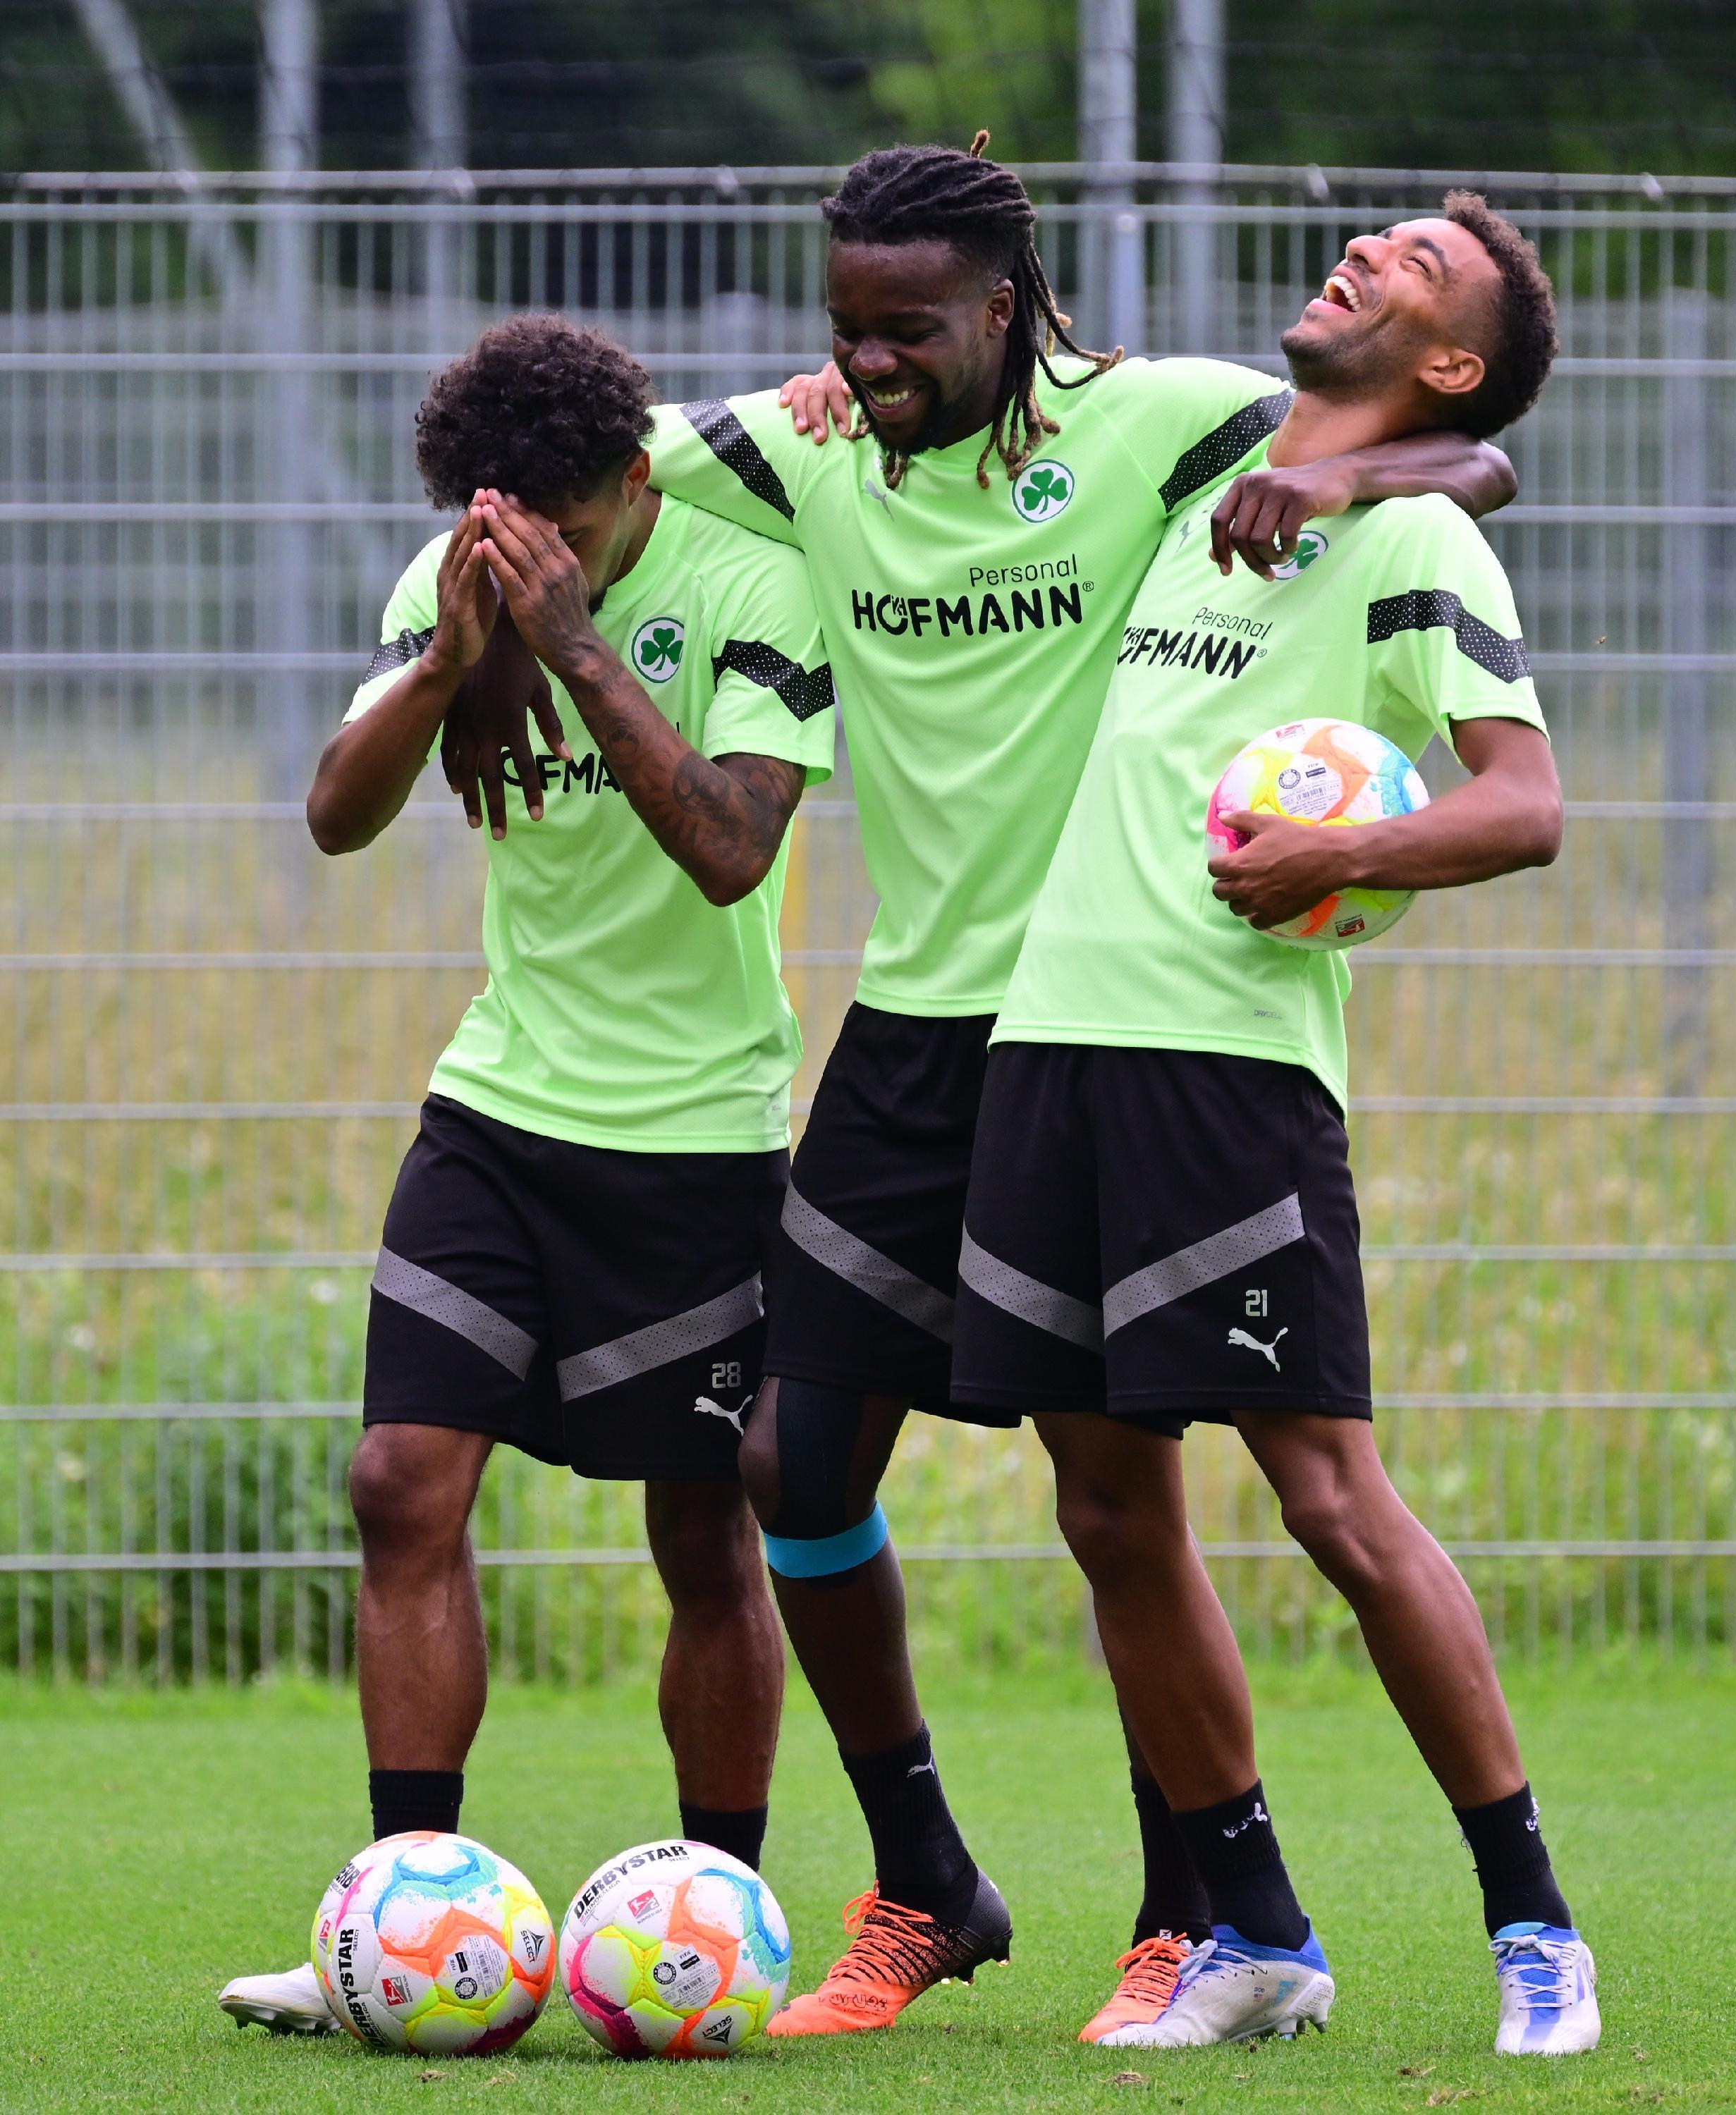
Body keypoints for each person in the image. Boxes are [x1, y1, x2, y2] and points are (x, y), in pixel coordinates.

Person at [627, 136, 1521, 2040]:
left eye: (907, 328)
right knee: (793, 1460)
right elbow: (595, 463)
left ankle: (1188, 1915)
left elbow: (1464, 458)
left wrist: (1338, 474)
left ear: (1008, 307)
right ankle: (926, 1881)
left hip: (1101, 1021)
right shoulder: (803, 445)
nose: (868, 357)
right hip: (912, 1024)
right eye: (847, 325)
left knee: (1116, 1486)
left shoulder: (1166, 423)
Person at [951, 192, 1600, 2056]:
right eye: (1375, 236)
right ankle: (1257, 1934)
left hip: (1228, 1068)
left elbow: (1525, 805)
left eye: (1417, 265)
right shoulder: (1205, 487)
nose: (1369, 252)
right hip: (1050, 1038)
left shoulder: (1412, 536)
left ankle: (1535, 1926)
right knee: (1105, 1506)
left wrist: (1344, 851)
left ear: (1451, 360)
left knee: (1326, 1496)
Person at [216, 314, 836, 2036]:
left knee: (703, 1529)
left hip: (698, 1137)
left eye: (562, 529)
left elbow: (731, 850)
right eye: (500, 528)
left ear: (636, 484)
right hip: (497, 1116)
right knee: (400, 1483)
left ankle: (719, 1925)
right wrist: (447, 661)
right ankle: (394, 1916)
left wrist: (572, 646)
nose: (528, 556)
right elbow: (336, 816)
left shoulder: (756, 587)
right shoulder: (458, 582)